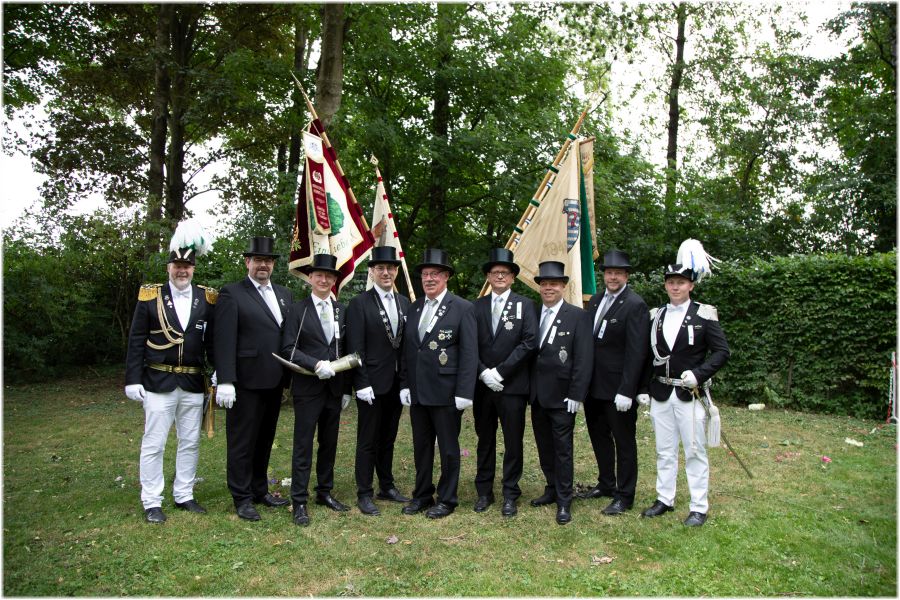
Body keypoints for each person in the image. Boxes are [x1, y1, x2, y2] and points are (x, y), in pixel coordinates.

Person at [124, 220, 215, 523]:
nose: (182, 271)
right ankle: (152, 500)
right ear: (168, 267)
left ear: (194, 269)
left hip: (192, 381)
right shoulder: (150, 296)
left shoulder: (206, 298)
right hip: (157, 380)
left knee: (190, 441)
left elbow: (212, 341)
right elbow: (137, 339)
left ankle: (184, 494)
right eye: (177, 266)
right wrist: (132, 378)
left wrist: (219, 371)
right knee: (154, 442)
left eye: (187, 267)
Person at [640, 251, 730, 527]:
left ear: (691, 285)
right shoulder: (655, 315)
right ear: (665, 285)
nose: (675, 287)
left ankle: (698, 506)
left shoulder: (704, 313)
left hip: (690, 394)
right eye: (671, 282)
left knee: (694, 451)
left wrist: (699, 374)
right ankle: (664, 498)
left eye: (681, 282)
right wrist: (643, 387)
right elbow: (646, 355)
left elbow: (722, 351)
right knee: (664, 450)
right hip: (661, 393)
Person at [214, 236, 293, 521]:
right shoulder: (232, 293)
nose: (263, 265)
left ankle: (259, 490)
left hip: (274, 380)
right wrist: (225, 379)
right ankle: (241, 496)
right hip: (244, 382)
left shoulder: (284, 294)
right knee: (242, 441)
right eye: (258, 260)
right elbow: (223, 339)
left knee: (264, 438)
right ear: (247, 262)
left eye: (268, 261)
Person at [399, 248, 478, 519]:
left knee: (448, 449)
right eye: (425, 274)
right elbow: (409, 351)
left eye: (435, 274)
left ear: (446, 277)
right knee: (421, 447)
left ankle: (447, 499)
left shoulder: (463, 308)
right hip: (419, 392)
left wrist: (465, 391)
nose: (429, 279)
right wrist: (405, 384)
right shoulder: (415, 307)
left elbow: (469, 354)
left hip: (447, 393)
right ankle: (422, 495)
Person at [280, 253, 353, 526]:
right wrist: (315, 364)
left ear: (334, 280)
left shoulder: (342, 310)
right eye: (319, 275)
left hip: (334, 389)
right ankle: (299, 499)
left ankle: (324, 491)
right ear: (310, 278)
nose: (324, 279)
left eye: (329, 276)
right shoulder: (296, 310)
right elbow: (288, 348)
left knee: (329, 443)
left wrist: (346, 389)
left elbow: (346, 349)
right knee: (303, 444)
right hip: (308, 387)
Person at [581, 250, 649, 515]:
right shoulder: (597, 300)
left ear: (626, 276)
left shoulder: (635, 304)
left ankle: (625, 495)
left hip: (619, 389)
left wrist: (628, 390)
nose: (612, 277)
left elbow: (637, 352)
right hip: (594, 387)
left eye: (618, 273)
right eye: (609, 272)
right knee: (599, 436)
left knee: (624, 442)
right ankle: (606, 483)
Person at [346, 246, 412, 516]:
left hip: (395, 384)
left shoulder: (405, 303)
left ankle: (386, 485)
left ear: (396, 272)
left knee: (388, 438)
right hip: (371, 384)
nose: (386, 272)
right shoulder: (359, 304)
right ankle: (364, 492)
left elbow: (406, 348)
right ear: (372, 272)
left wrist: (406, 382)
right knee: (367, 440)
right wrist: (361, 383)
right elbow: (355, 347)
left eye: (391, 268)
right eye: (381, 268)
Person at [471, 248, 537, 517]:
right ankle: (484, 491)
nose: (500, 276)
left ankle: (510, 493)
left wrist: (500, 373)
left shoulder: (526, 305)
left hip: (512, 387)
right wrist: (483, 373)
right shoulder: (475, 306)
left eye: (505, 273)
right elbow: (468, 345)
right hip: (482, 387)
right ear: (488, 276)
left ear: (512, 277)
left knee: (513, 441)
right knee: (485, 439)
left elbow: (530, 342)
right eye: (495, 272)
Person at [528, 260, 593, 525]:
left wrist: (576, 394)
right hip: (537, 395)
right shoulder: (533, 313)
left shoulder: (578, 316)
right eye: (544, 284)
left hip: (564, 396)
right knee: (544, 446)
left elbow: (584, 359)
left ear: (563, 286)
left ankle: (565, 499)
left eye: (554, 284)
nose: (548, 288)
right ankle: (552, 487)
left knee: (562, 449)